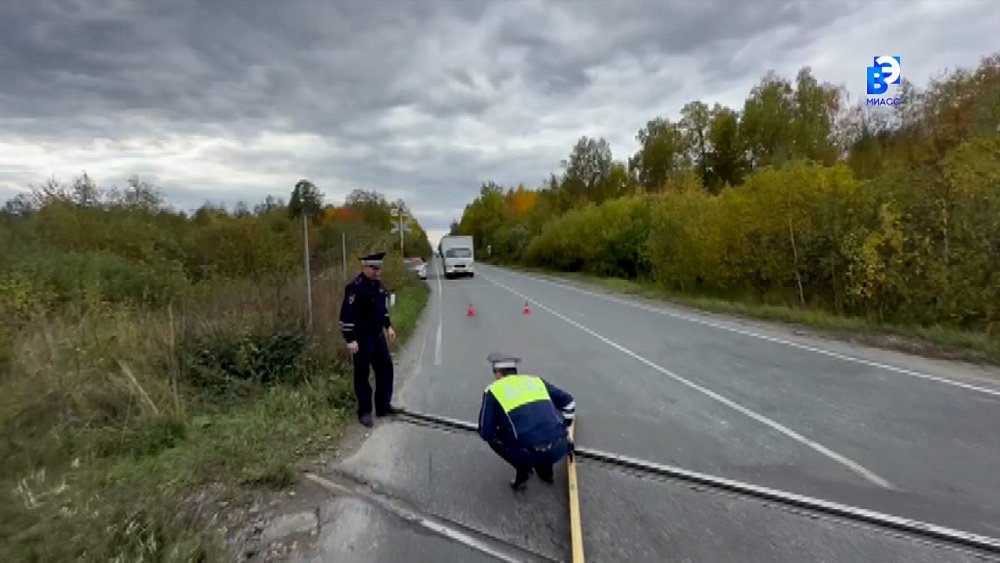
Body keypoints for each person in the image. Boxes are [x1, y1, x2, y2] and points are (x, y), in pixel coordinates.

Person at [477, 352, 576, 490]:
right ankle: (546, 468)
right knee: (552, 416)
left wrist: (504, 427)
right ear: (515, 371)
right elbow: (569, 403)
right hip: (559, 447)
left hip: (526, 455)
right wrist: (565, 428)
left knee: (495, 438)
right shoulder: (536, 381)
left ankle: (523, 469)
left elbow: (485, 432)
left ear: (497, 374)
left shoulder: (493, 391)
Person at [339, 251, 400, 427]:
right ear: (365, 267)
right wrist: (350, 339)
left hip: (377, 335)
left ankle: (383, 405)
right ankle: (365, 411)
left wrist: (388, 326)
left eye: (380, 268)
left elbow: (382, 309)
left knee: (385, 369)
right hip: (361, 337)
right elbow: (346, 316)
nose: (378, 271)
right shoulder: (355, 288)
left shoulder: (378, 286)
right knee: (362, 375)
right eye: (374, 268)